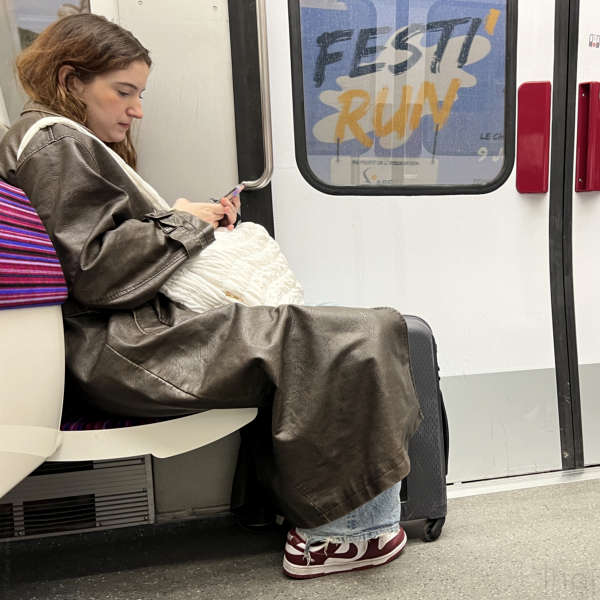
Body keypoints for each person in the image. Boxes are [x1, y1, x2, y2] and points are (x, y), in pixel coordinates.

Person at [0, 14, 422, 579]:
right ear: (71, 80)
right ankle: (340, 536)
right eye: (123, 92)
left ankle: (307, 514)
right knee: (357, 333)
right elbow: (97, 272)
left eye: (140, 94)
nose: (137, 110)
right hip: (119, 346)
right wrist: (181, 223)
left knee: (330, 330)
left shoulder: (58, 142)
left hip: (123, 336)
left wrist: (185, 221)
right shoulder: (53, 142)